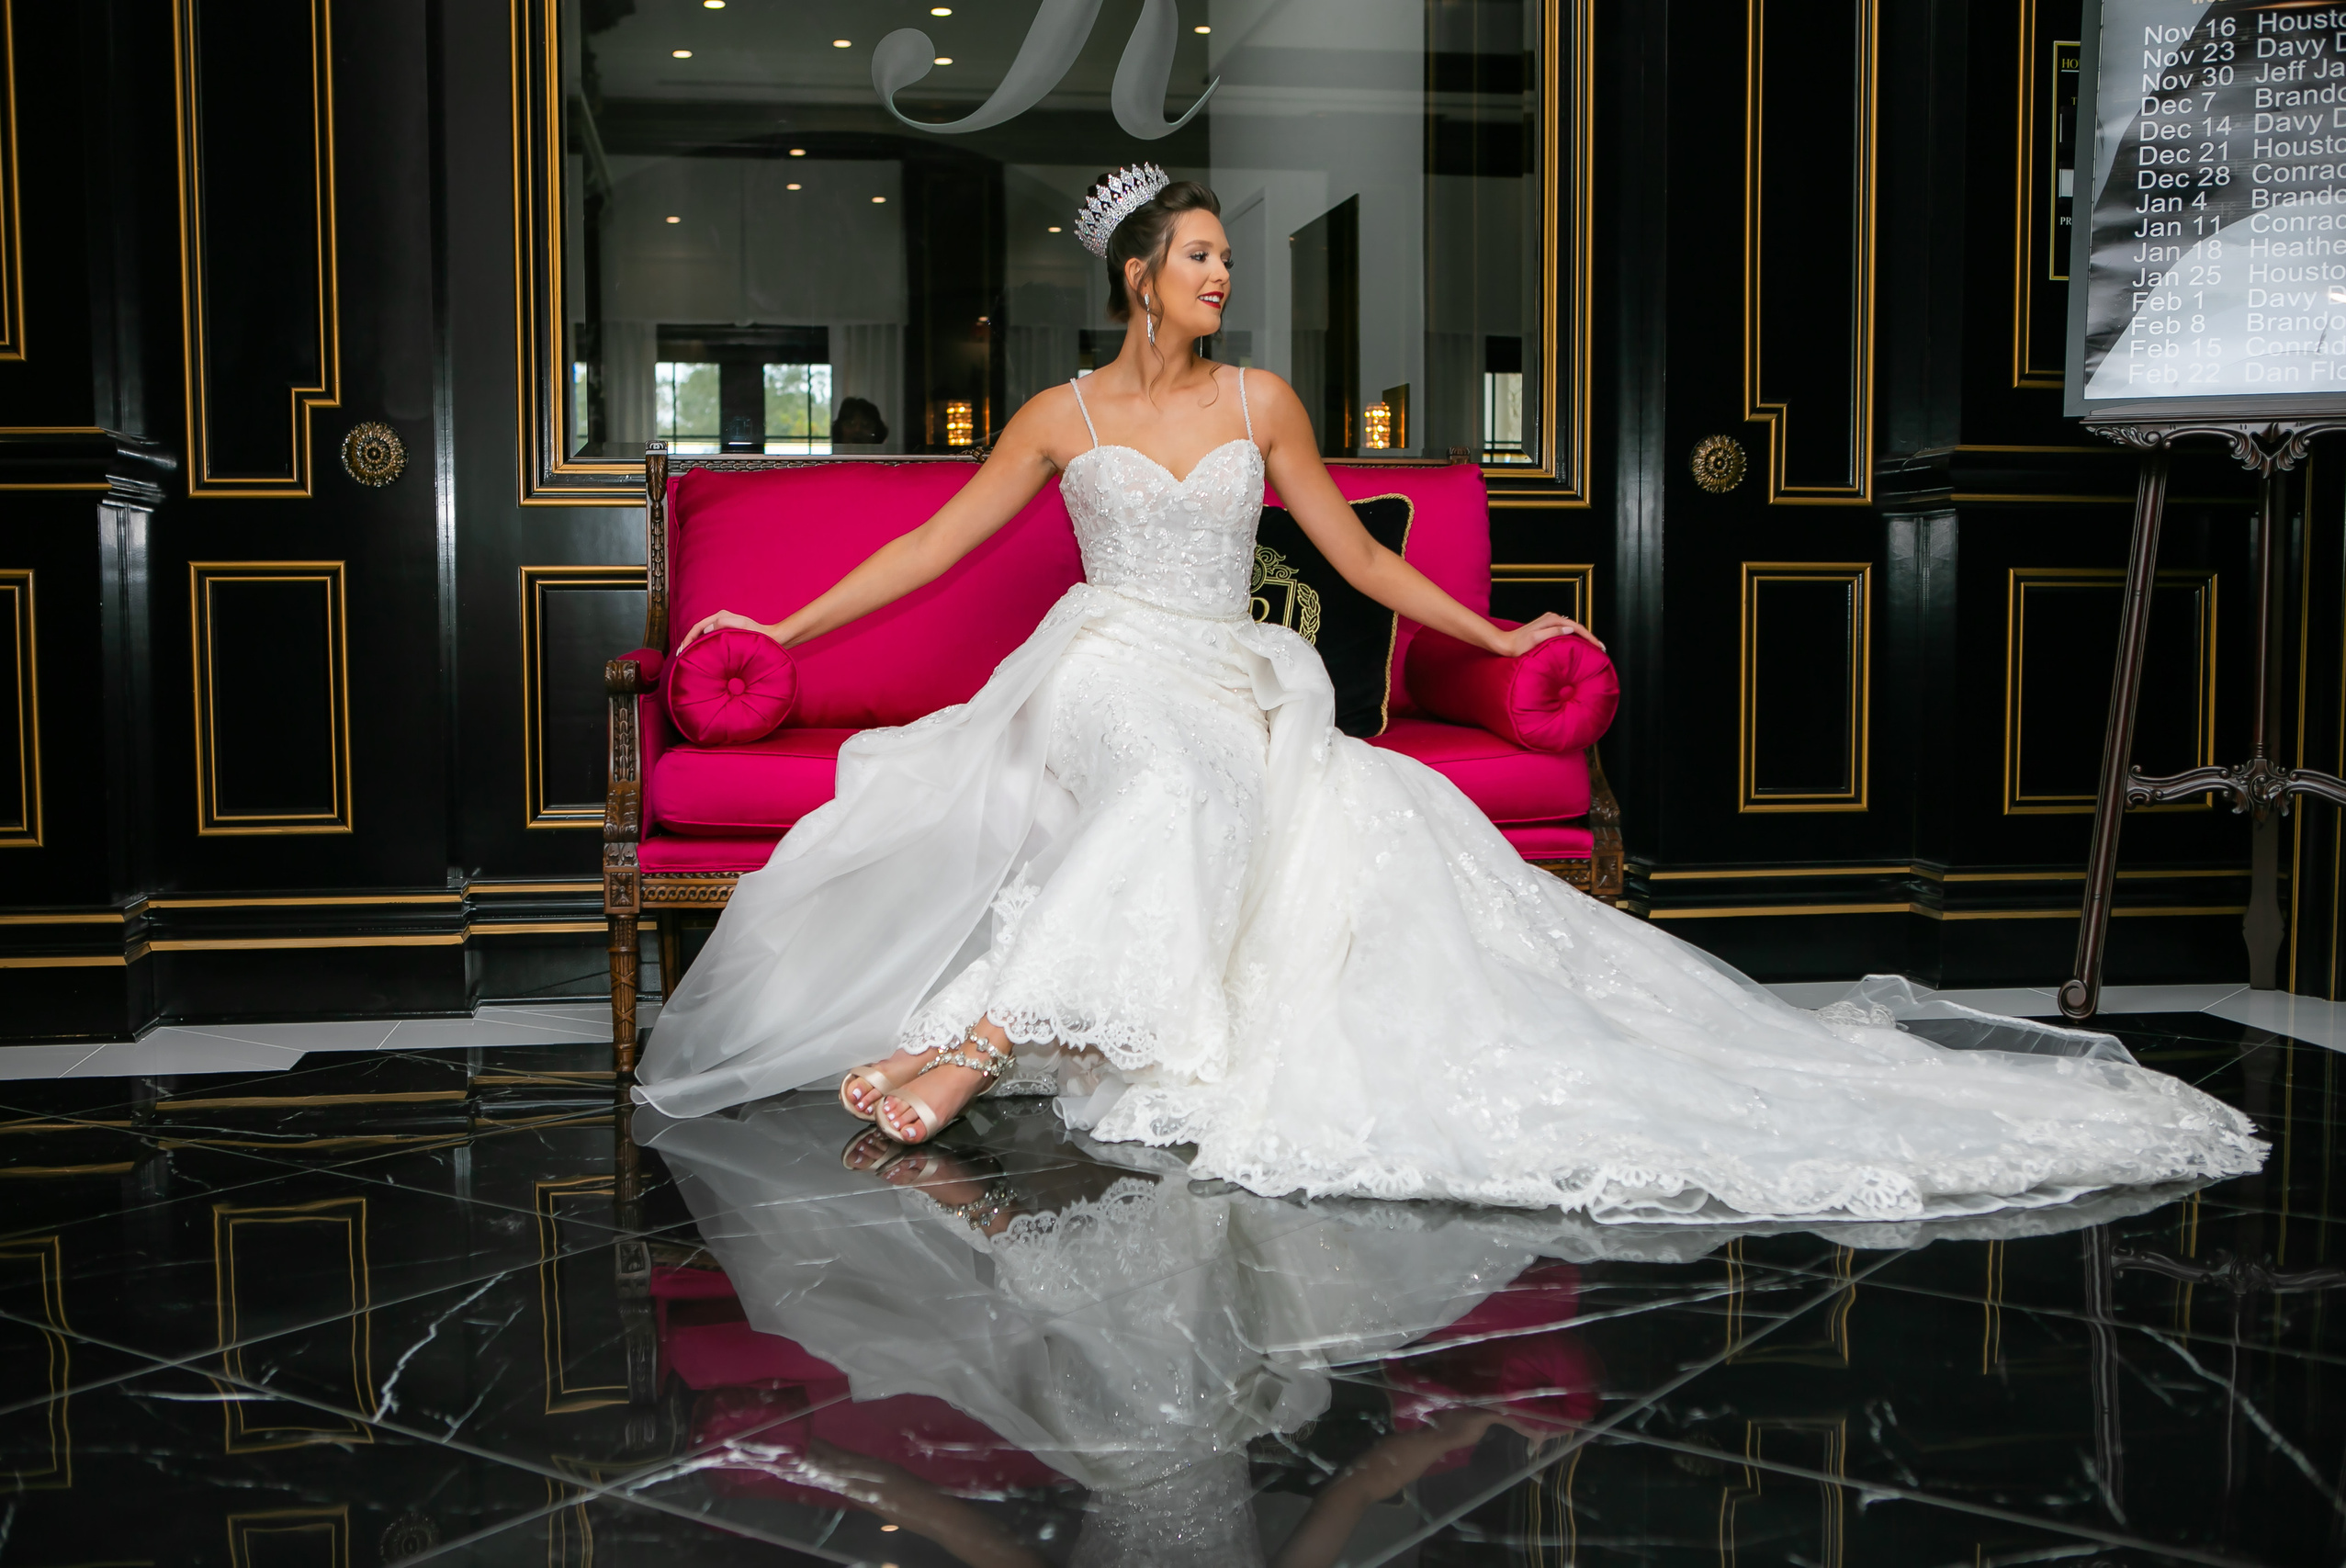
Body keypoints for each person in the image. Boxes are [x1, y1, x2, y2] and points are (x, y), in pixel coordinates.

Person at [633, 164, 2263, 1223]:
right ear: (1136, 276)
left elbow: (1361, 568)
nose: (1222, 279)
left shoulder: (1264, 401)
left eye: (1222, 259)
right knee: (1156, 785)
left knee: (1223, 778)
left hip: (1233, 672)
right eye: (1198, 258)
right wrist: (775, 622)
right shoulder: (1059, 416)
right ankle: (983, 1046)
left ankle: (972, 1041)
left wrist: (1495, 637)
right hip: (1104, 664)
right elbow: (928, 550)